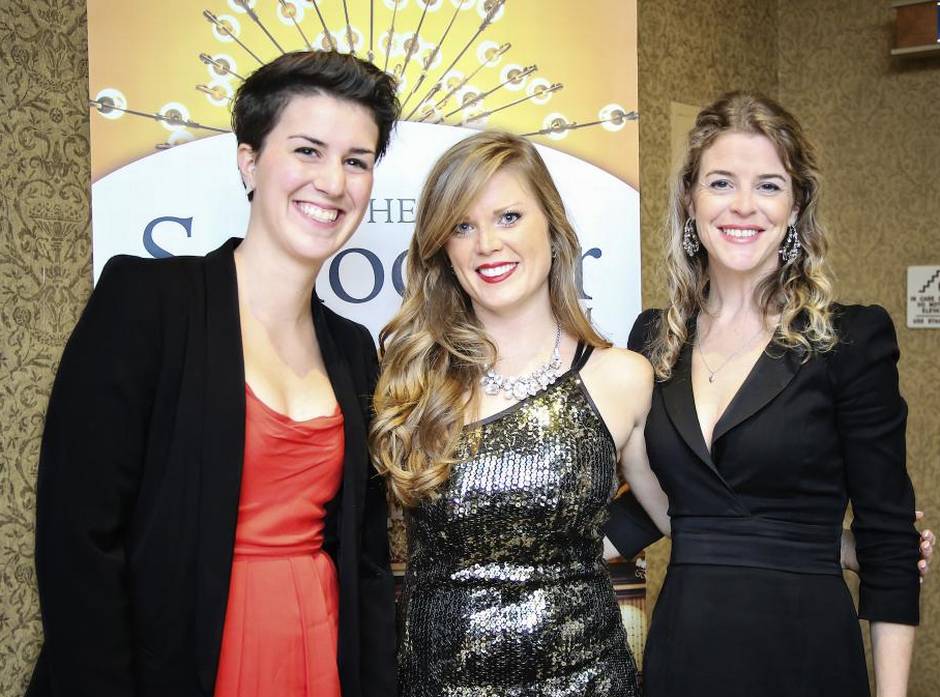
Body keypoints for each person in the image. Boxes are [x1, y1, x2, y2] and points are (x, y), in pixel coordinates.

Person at [28, 50, 398, 697]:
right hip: (177, 660)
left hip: (317, 653)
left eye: (356, 160)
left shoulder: (353, 347)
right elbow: (78, 543)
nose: (333, 182)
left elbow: (365, 558)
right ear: (249, 160)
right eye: (307, 151)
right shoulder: (146, 303)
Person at [607, 91, 921, 697]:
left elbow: (889, 544)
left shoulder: (851, 339)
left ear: (795, 205)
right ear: (690, 199)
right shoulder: (653, 338)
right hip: (684, 653)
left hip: (806, 654)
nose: (744, 206)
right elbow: (676, 503)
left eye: (769, 186)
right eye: (721, 183)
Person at [370, 131, 671, 696]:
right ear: (443, 249)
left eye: (508, 217)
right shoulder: (408, 377)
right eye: (462, 226)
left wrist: (565, 558)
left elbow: (688, 515)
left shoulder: (622, 376)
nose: (487, 244)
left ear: (552, 229)